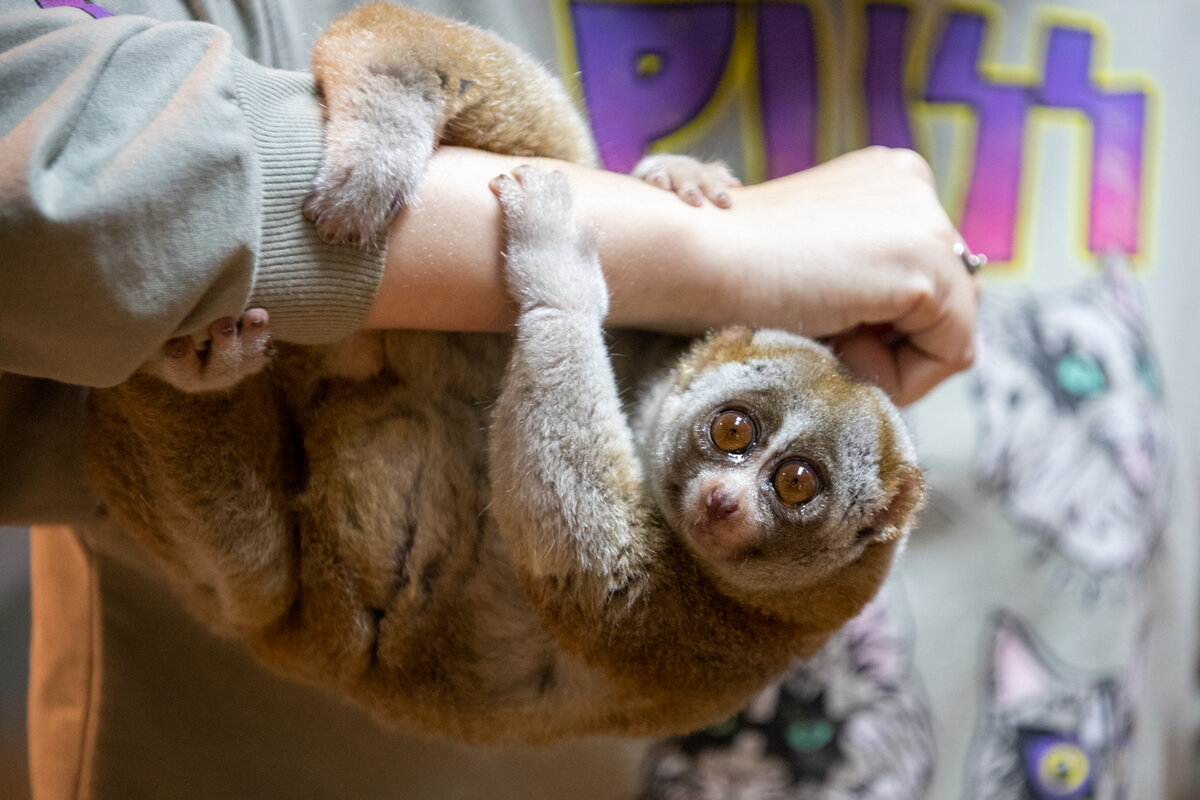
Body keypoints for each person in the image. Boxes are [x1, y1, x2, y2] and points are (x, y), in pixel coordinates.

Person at [3, 1, 1196, 799]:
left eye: (778, 477)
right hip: (321, 560)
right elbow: (47, 179)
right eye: (740, 436)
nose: (731, 490)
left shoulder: (1155, 32)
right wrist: (692, 247)